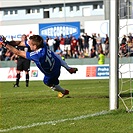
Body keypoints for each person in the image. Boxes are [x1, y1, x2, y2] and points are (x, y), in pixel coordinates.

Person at [1, 35, 78, 98]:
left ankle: (63, 91)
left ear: (34, 46)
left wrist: (5, 44)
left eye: (30, 44)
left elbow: (18, 52)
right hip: (57, 64)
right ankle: (68, 68)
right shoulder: (42, 44)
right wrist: (7, 42)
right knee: (53, 54)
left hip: (51, 73)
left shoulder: (37, 55)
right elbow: (20, 43)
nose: (28, 45)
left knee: (48, 83)